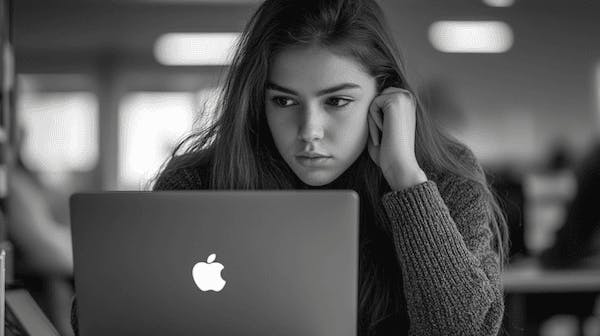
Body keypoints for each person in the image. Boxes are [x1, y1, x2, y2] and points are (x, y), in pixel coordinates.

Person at [72, 0, 509, 335]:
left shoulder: (446, 186)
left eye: (337, 101)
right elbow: (97, 320)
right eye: (284, 101)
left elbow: (460, 329)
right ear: (257, 100)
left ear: (386, 100)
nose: (309, 132)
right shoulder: (196, 186)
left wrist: (407, 181)